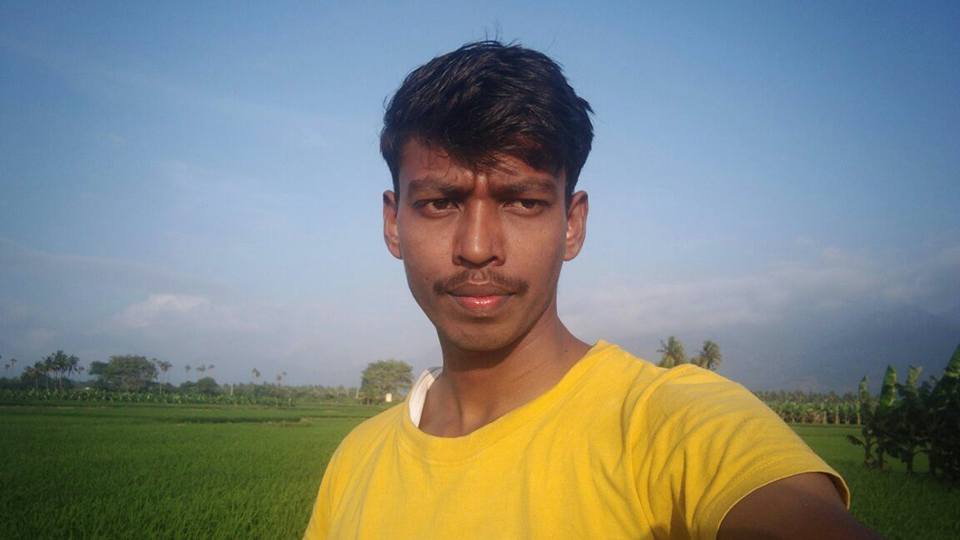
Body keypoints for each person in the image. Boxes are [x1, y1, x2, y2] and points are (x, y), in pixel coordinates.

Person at [304, 40, 880, 539]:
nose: (477, 247)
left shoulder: (670, 424)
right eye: (440, 203)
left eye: (522, 202)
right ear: (393, 223)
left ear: (572, 225)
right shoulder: (356, 462)